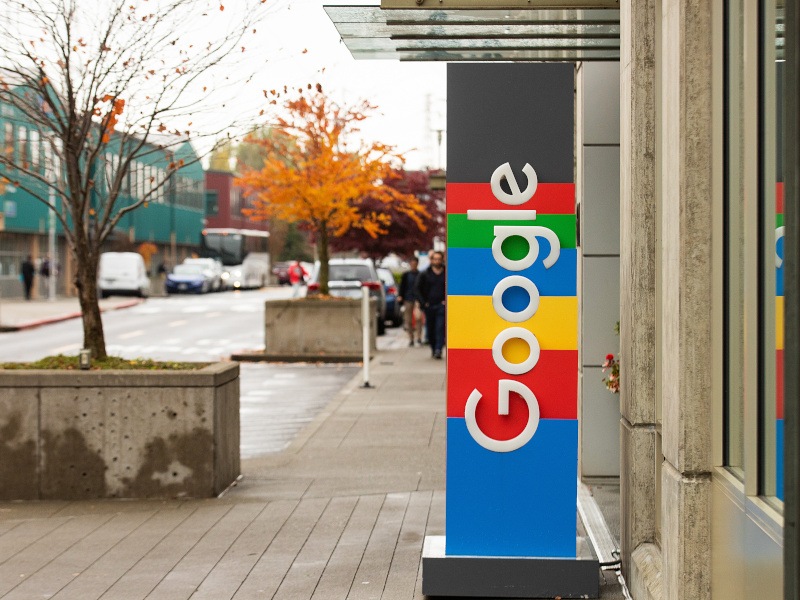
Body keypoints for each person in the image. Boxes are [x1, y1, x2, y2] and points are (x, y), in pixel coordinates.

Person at [415, 250, 446, 359]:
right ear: (431, 260)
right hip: (429, 306)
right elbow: (417, 289)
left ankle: (438, 349)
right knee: (431, 328)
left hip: (442, 305)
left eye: (439, 259)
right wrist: (424, 303)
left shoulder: (446, 273)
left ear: (442, 260)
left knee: (440, 327)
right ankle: (433, 348)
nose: (437, 261)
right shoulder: (425, 274)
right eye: (435, 259)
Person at [398, 257, 424, 346]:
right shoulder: (406, 275)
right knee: (408, 320)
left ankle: (419, 337)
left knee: (418, 318)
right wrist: (400, 296)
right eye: (412, 263)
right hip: (408, 299)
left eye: (415, 263)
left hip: (417, 299)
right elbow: (402, 286)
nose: (413, 265)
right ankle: (411, 338)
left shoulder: (421, 274)